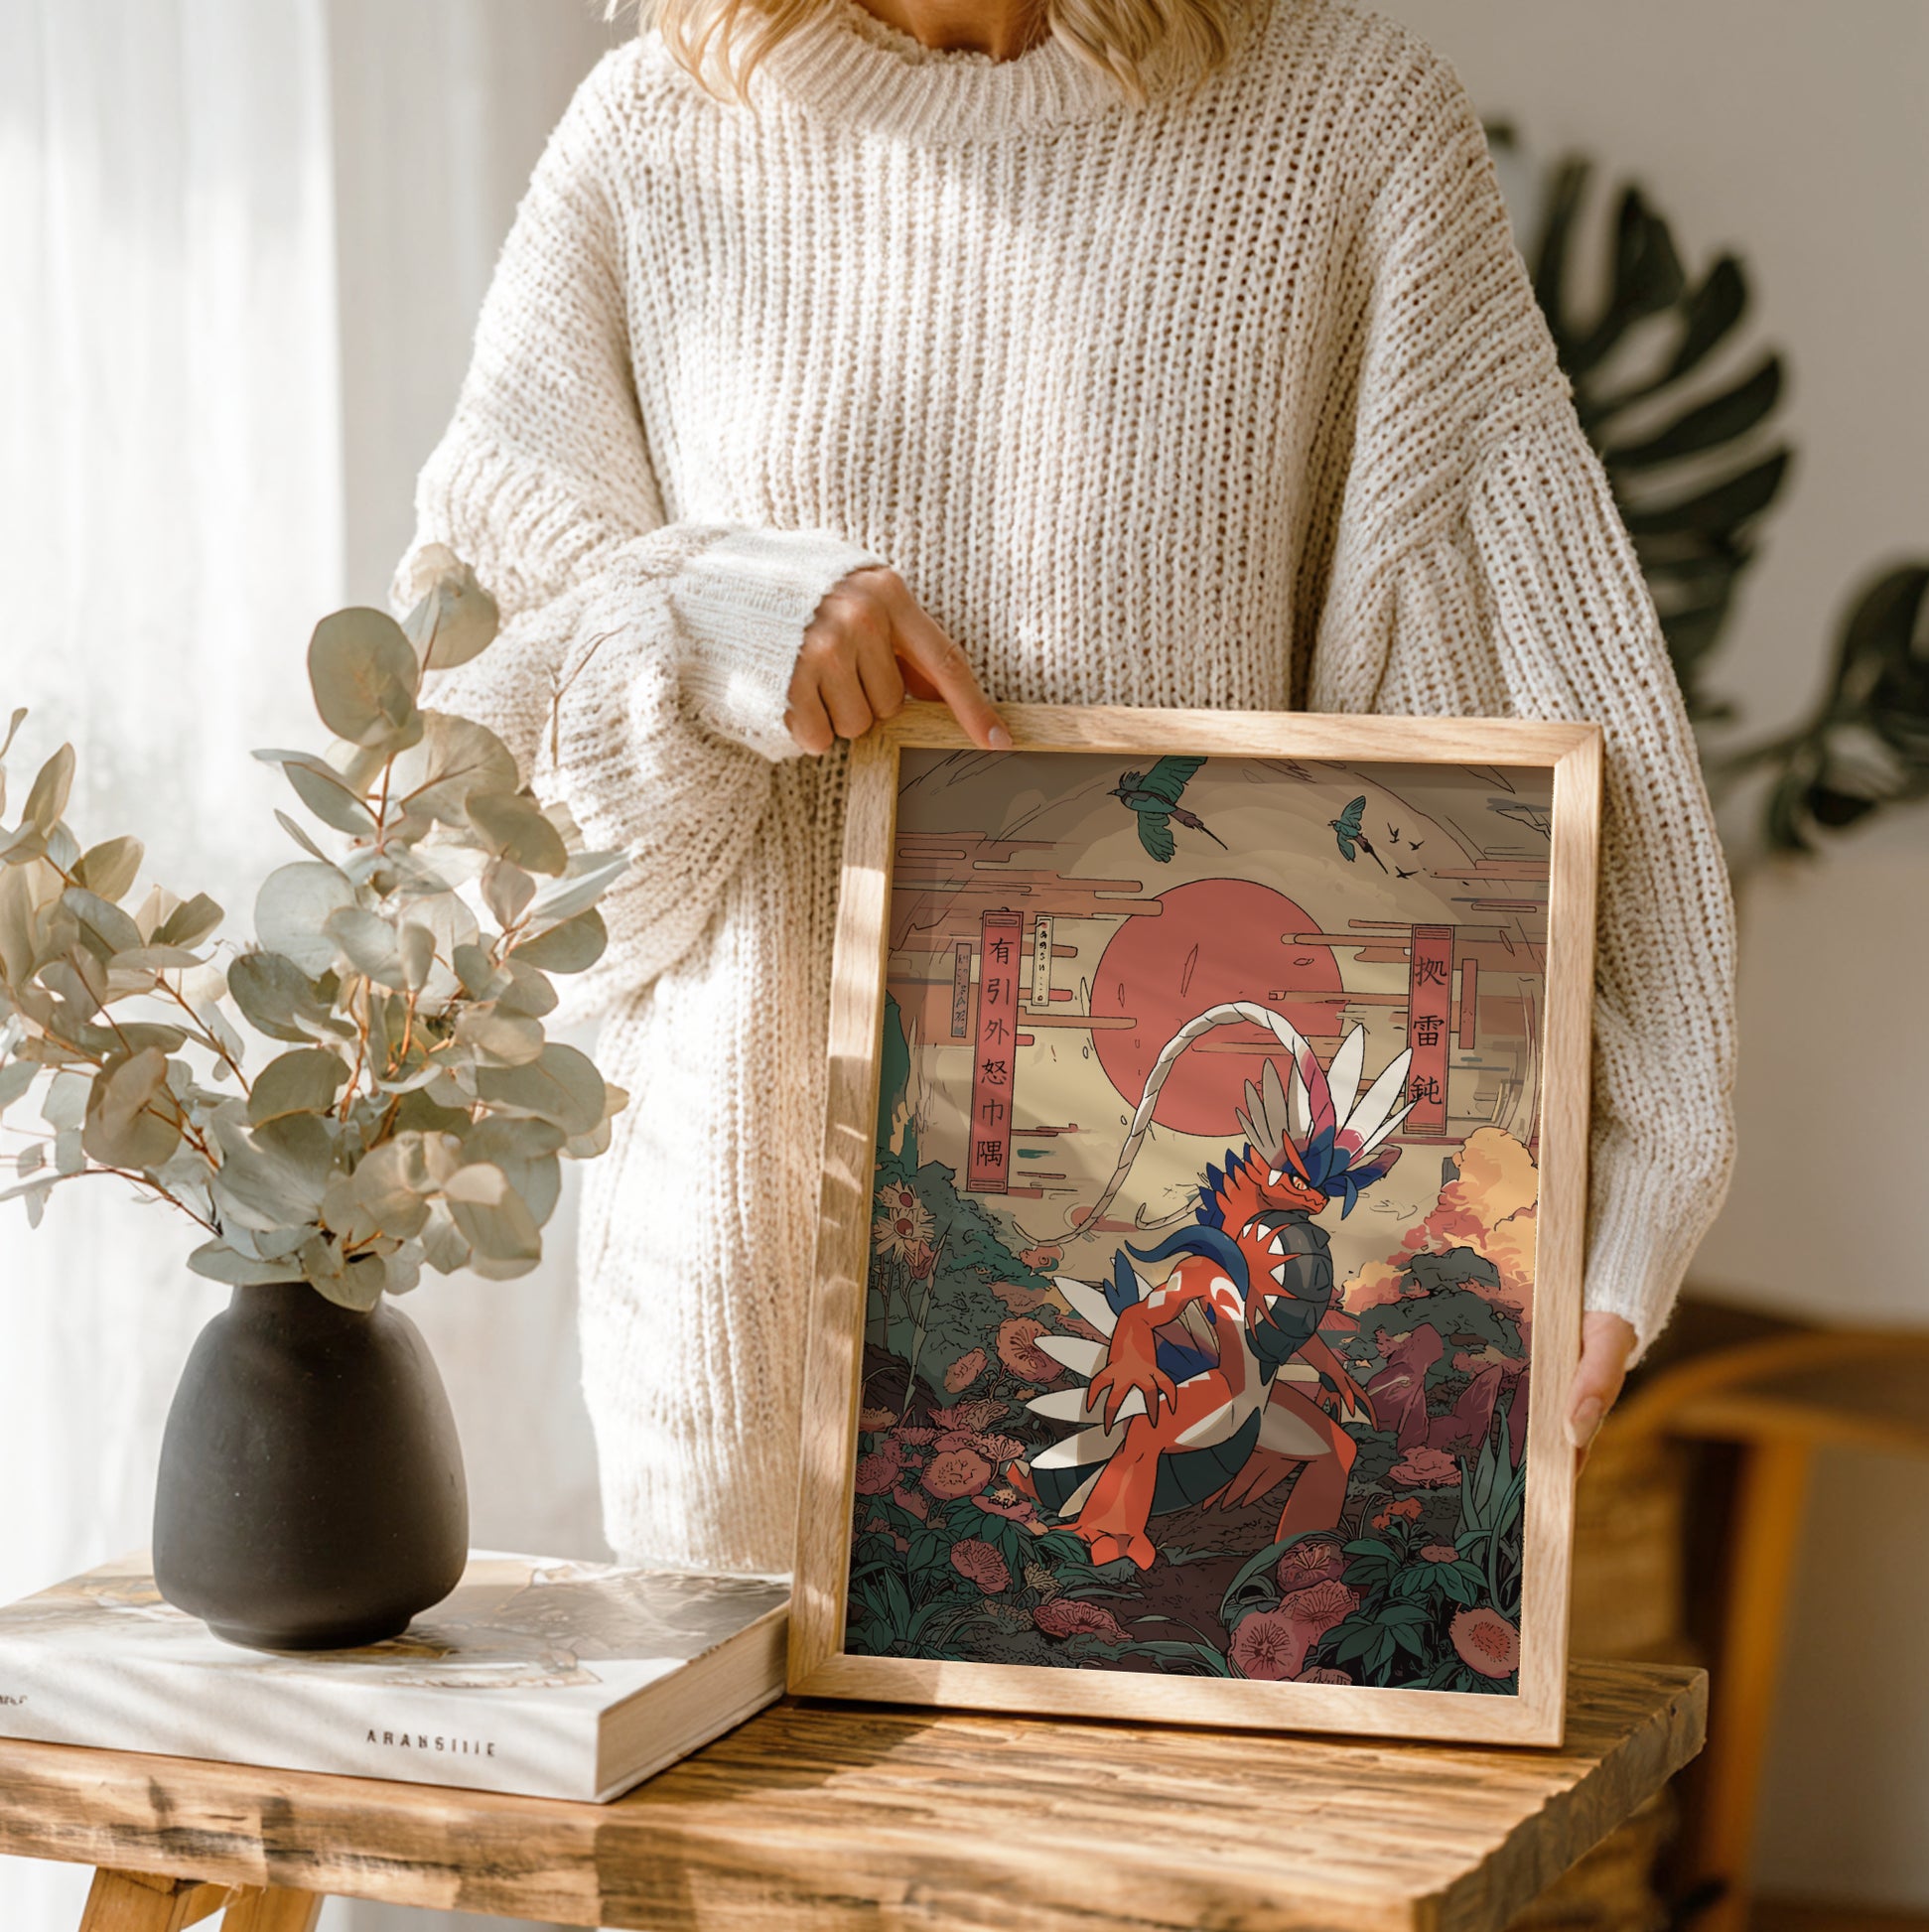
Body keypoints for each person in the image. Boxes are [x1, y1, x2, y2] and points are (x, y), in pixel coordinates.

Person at [392, 0, 1736, 1577]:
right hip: (740, 1351)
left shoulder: (1343, 127)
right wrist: (705, 622)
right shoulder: (651, 141)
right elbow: (469, 819)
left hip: (1206, 1369)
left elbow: (1517, 718)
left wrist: (1628, 1171)